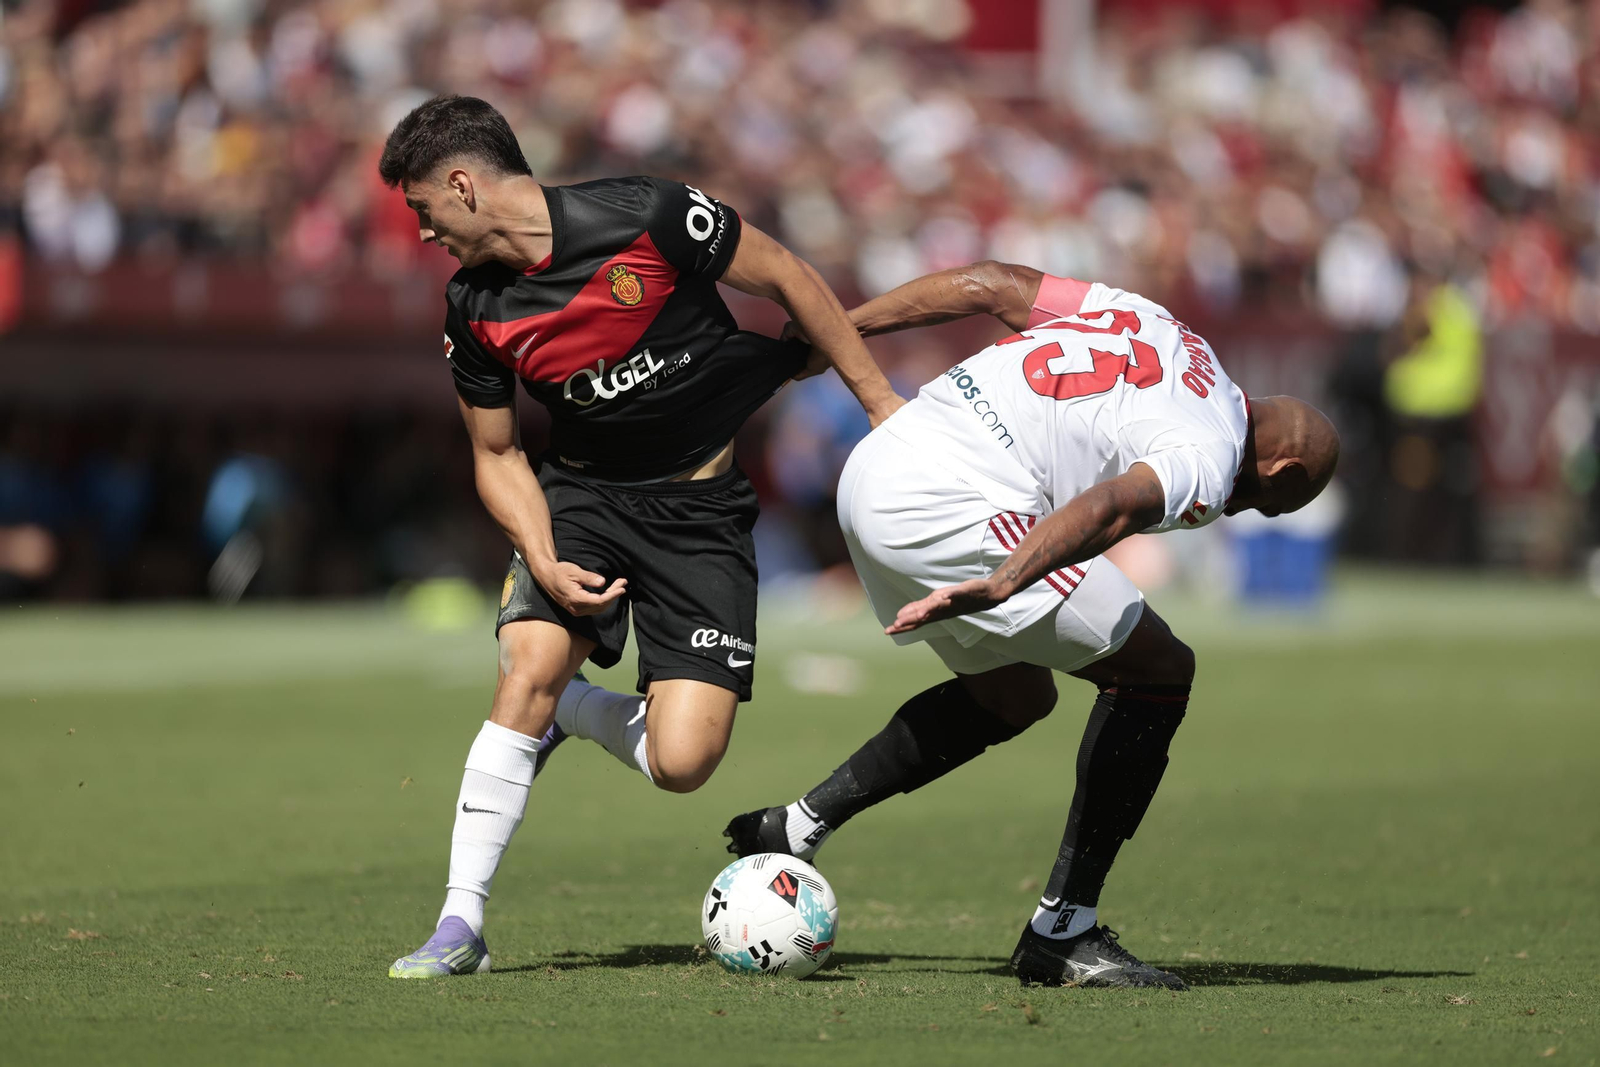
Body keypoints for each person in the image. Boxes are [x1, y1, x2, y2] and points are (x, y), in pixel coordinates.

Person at [378, 95, 902, 978]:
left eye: (423, 208)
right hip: (583, 499)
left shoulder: (648, 214)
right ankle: (458, 925)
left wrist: (882, 406)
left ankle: (573, 714)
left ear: (462, 184)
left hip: (701, 515)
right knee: (531, 665)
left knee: (684, 760)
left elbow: (791, 279)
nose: (424, 232)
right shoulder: (472, 308)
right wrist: (542, 555)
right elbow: (498, 452)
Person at [724, 261, 1339, 989]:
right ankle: (1064, 931)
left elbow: (990, 285)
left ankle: (795, 825)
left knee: (1014, 697)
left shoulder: (1163, 326)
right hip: (956, 503)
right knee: (1160, 668)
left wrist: (841, 327)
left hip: (879, 463)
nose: (1246, 511)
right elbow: (1117, 504)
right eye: (1267, 504)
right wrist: (1008, 577)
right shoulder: (1213, 455)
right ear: (1286, 466)